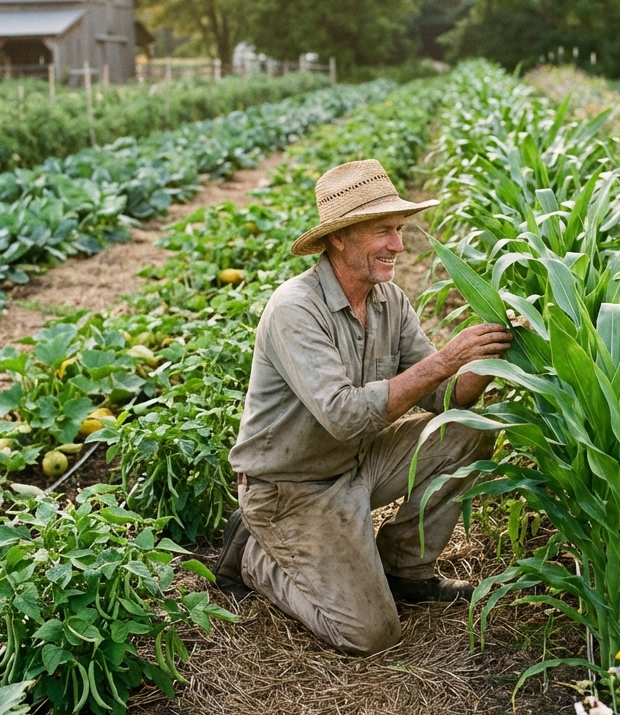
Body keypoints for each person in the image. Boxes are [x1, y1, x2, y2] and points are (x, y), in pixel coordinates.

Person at [217, 158, 511, 655]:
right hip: (292, 489)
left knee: (469, 427)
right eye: (383, 232)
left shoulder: (388, 300)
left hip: (358, 463)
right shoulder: (295, 309)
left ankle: (405, 570)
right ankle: (253, 557)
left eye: (398, 229)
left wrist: (483, 358)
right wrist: (444, 360)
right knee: (371, 635)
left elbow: (443, 398)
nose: (398, 245)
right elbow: (343, 415)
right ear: (340, 237)